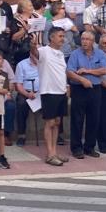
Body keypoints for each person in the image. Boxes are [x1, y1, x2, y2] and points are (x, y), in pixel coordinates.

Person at [66, 30, 106, 158]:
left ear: (93, 41)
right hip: (79, 89)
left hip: (95, 89)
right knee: (77, 119)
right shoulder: (75, 54)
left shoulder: (100, 53)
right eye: (83, 39)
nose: (84, 42)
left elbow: (104, 70)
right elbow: (70, 72)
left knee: (93, 119)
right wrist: (82, 79)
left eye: (87, 39)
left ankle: (89, 147)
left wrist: (87, 71)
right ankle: (76, 148)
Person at [34, 27, 71, 166]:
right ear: (51, 37)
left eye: (63, 36)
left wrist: (66, 87)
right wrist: (33, 44)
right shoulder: (44, 51)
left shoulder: (60, 54)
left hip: (61, 91)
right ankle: (49, 154)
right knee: (49, 123)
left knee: (57, 123)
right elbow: (34, 52)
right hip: (49, 91)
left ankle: (55, 152)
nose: (63, 39)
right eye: (60, 36)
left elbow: (62, 71)